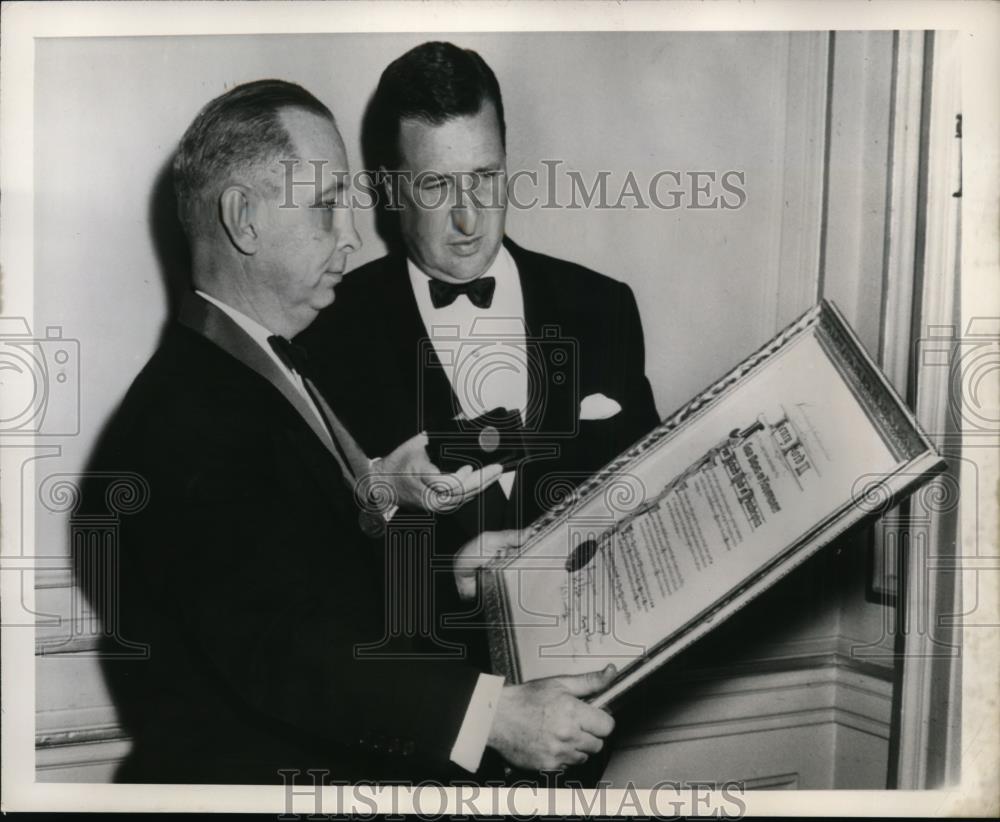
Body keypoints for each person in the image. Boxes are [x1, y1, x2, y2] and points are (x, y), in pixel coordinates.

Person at [77, 79, 616, 785]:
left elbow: (318, 580)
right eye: (327, 204)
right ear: (243, 220)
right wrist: (496, 718)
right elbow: (288, 650)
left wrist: (456, 574)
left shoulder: (260, 369)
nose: (352, 235)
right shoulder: (187, 417)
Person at [298, 42, 660, 683]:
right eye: (436, 185)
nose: (468, 218)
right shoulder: (325, 334)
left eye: (485, 179)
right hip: (414, 741)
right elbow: (313, 569)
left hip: (584, 722)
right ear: (389, 187)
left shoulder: (602, 308)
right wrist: (446, 578)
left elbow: (645, 504)